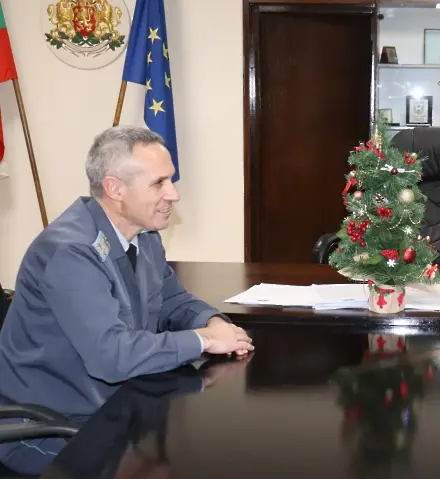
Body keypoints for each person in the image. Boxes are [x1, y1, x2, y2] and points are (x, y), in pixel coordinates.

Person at [0, 126, 255, 419]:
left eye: (170, 180)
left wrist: (213, 322)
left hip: (117, 404)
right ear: (115, 189)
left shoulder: (144, 237)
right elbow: (110, 356)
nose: (174, 194)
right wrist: (205, 340)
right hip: (54, 423)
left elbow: (173, 301)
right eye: (159, 183)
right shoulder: (71, 253)